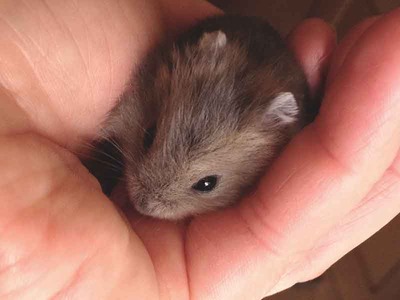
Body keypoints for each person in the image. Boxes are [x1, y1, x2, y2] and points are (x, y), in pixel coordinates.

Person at [1, 0, 399, 299]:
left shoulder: (273, 134)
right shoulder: (181, 67)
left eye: (205, 183)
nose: (147, 199)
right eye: (151, 136)